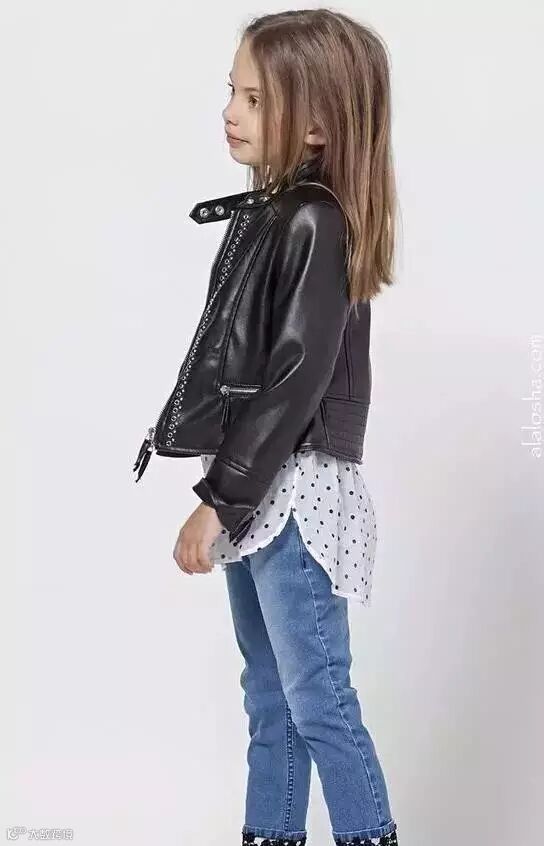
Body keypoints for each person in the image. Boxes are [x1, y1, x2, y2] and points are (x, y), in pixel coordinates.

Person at [133, 9, 399, 846]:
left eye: (255, 98)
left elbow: (294, 379)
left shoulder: (312, 217)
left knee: (318, 698)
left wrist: (220, 497)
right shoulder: (275, 213)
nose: (231, 112)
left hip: (292, 492)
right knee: (272, 698)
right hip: (265, 487)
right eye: (233, 92)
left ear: (317, 124)